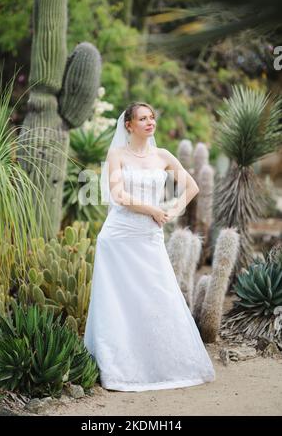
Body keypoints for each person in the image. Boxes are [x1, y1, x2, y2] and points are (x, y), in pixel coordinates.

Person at [83, 102, 216, 392]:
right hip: (118, 238)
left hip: (149, 237)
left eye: (152, 117)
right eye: (143, 118)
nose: (149, 122)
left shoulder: (164, 156)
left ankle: (162, 365)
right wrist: (152, 210)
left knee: (158, 294)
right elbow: (118, 194)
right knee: (118, 302)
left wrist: (175, 208)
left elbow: (192, 186)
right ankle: (118, 370)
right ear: (128, 125)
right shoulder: (116, 154)